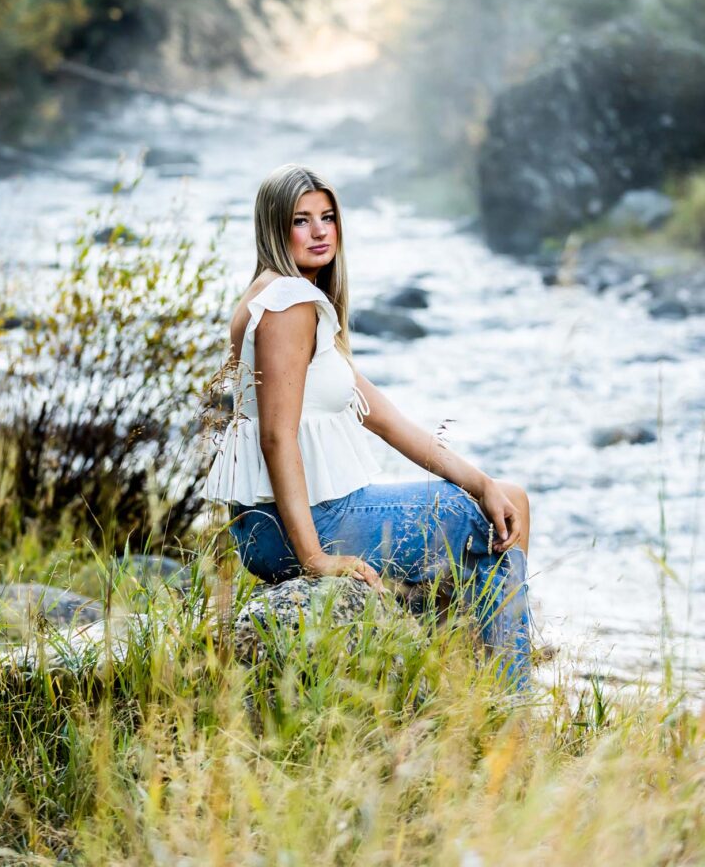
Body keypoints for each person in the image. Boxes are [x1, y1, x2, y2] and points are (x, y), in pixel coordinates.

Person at [205, 163, 531, 687]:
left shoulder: (272, 294)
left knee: (504, 497)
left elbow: (387, 420)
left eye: (327, 218)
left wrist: (482, 482)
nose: (319, 232)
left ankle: (455, 685)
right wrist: (314, 557)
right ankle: (508, 707)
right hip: (305, 525)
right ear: (273, 227)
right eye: (301, 220)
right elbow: (275, 437)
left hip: (268, 527)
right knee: (492, 526)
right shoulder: (291, 303)